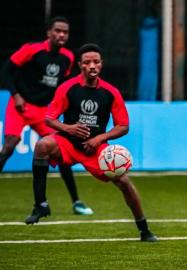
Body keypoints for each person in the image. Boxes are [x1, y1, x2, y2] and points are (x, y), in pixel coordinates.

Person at [24, 43, 157, 242]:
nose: (92, 66)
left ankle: (144, 230)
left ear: (101, 65)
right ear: (80, 66)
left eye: (96, 62)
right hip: (67, 143)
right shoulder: (67, 88)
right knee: (42, 145)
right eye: (87, 62)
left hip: (95, 149)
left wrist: (100, 138)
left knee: (124, 182)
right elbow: (49, 118)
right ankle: (40, 205)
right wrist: (68, 128)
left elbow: (123, 126)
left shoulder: (111, 92)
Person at [0, 16, 93, 215]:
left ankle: (76, 202)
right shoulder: (32, 50)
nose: (61, 35)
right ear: (48, 33)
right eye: (57, 31)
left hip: (43, 111)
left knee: (61, 151)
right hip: (21, 105)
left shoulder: (67, 57)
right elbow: (6, 71)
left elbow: (64, 85)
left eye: (65, 32)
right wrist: (16, 95)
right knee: (9, 146)